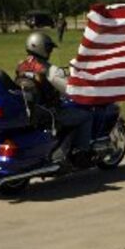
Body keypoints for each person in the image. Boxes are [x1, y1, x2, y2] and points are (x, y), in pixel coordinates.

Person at [14, 31, 92, 164]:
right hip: (50, 113)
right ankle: (81, 152)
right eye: (48, 48)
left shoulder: (21, 65)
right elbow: (70, 90)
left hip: (32, 111)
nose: (49, 52)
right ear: (40, 48)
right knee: (86, 116)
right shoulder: (50, 70)